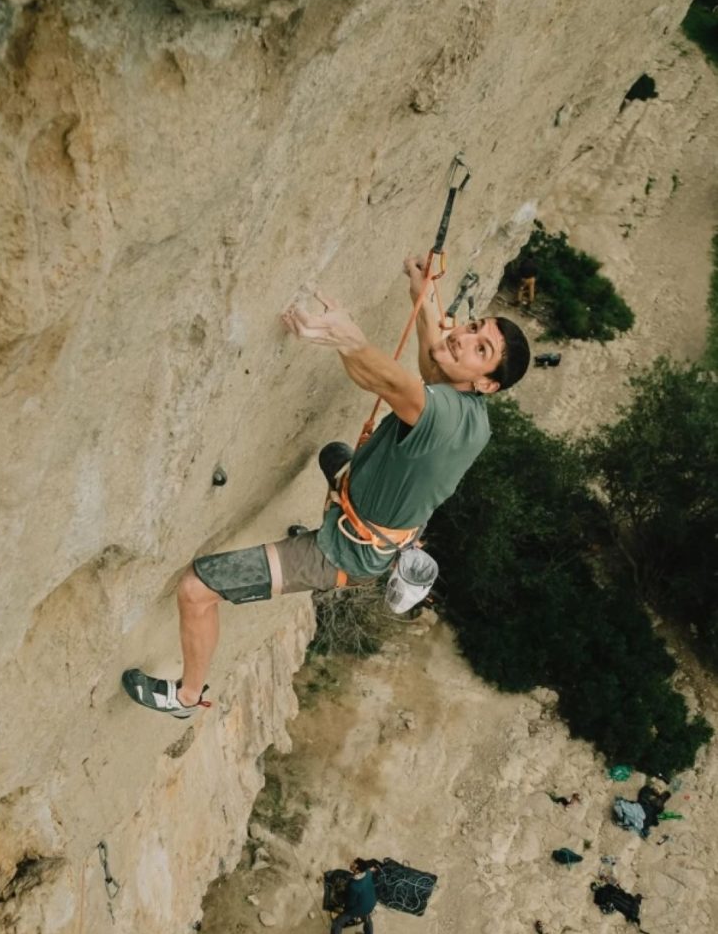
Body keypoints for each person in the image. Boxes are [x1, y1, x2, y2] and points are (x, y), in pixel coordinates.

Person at [122, 255, 530, 717]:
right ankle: (323, 525)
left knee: (197, 587)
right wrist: (423, 294)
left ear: (488, 384)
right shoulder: (472, 415)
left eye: (481, 350)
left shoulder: (441, 416)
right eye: (473, 327)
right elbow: (436, 358)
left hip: (345, 551)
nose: (465, 338)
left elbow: (379, 377)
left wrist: (347, 338)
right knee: (333, 453)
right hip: (366, 506)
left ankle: (186, 697)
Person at [323, 859, 378, 934]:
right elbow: (371, 871)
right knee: (367, 918)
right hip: (371, 902)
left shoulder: (354, 886)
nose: (351, 863)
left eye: (354, 864)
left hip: (360, 908)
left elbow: (350, 903)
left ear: (357, 870)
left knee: (337, 923)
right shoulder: (367, 872)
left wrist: (344, 910)